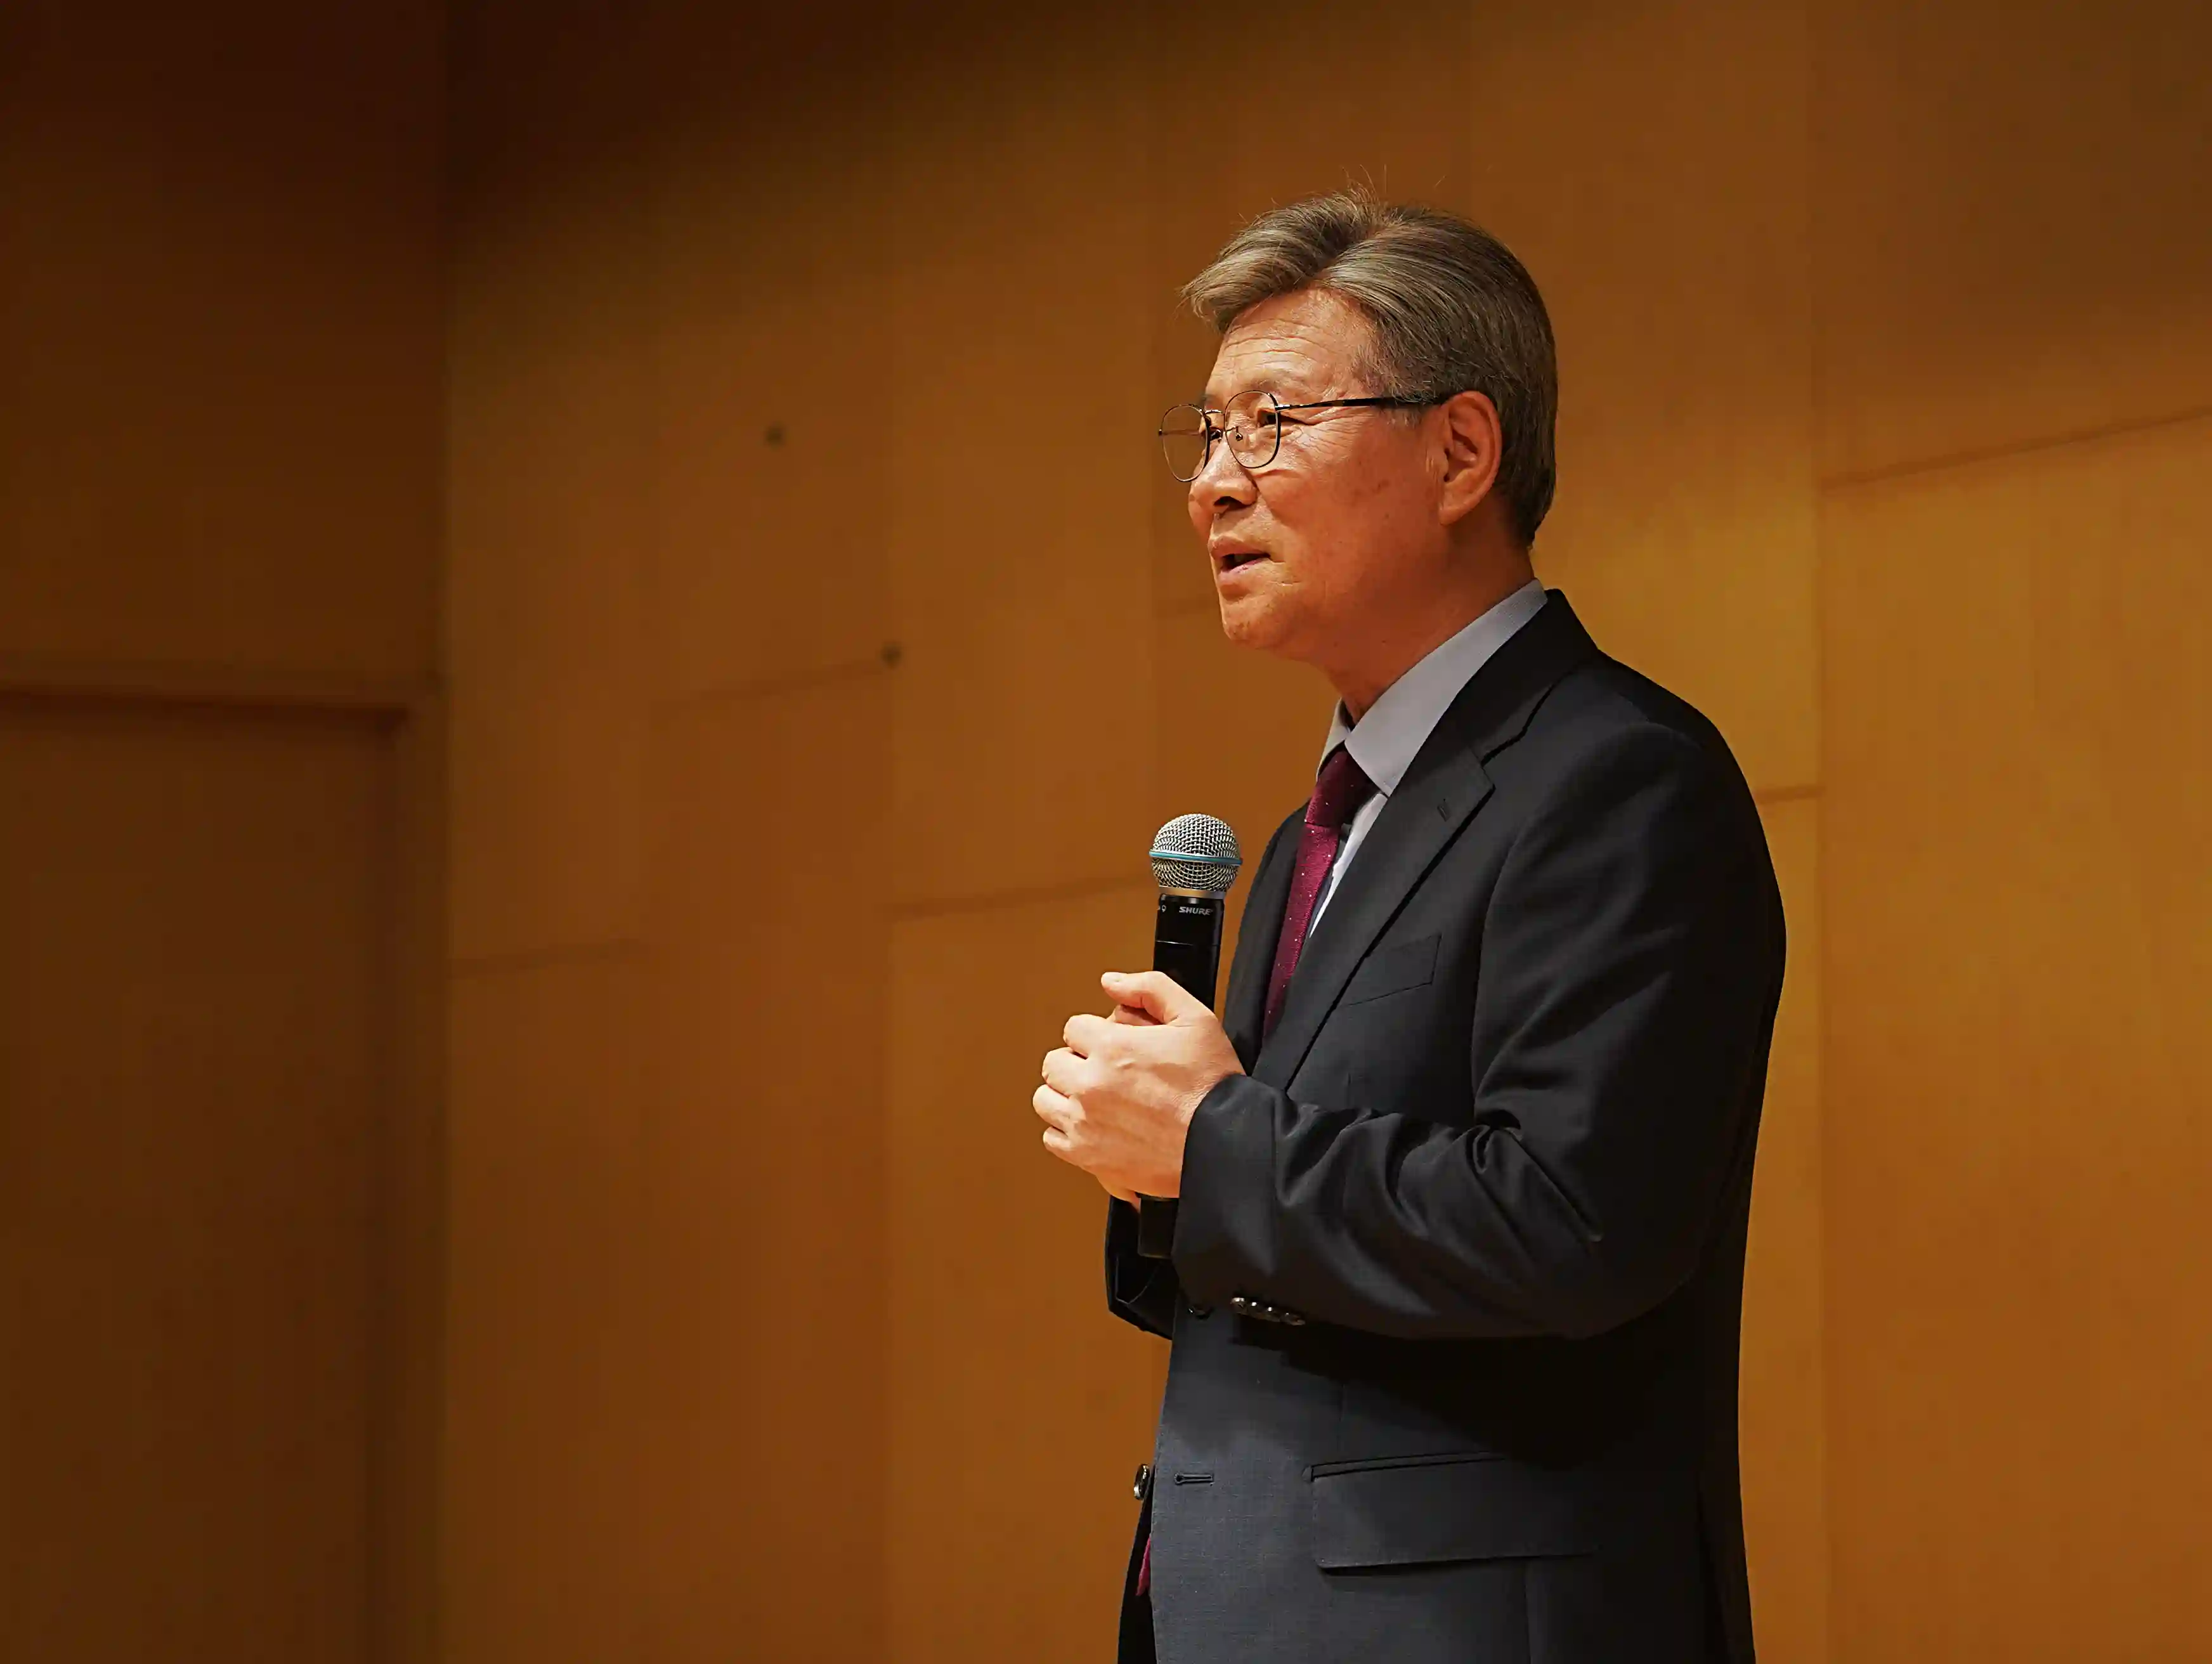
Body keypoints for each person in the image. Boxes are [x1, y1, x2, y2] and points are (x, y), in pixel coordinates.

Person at [1032, 188, 1785, 1663]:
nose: (1213, 485)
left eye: (1272, 424)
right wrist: (1164, 1170)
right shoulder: (1319, 826)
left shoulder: (1615, 777)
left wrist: (1212, 1142)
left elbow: (1576, 1221)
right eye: (1205, 434)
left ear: (1459, 452)